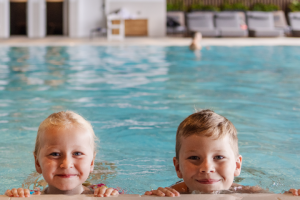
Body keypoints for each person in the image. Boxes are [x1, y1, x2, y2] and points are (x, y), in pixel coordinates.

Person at [144, 109, 297, 197]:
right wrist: (156, 195)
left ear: (237, 165)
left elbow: (276, 198)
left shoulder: (247, 191)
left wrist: (291, 194)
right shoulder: (174, 194)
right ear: (178, 168)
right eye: (194, 157)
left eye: (219, 157)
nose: (206, 167)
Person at [5, 111, 119, 198]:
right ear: (37, 163)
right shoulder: (31, 195)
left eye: (77, 153)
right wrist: (16, 194)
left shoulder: (100, 192)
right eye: (55, 154)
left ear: (92, 162)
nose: (66, 164)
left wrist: (111, 194)